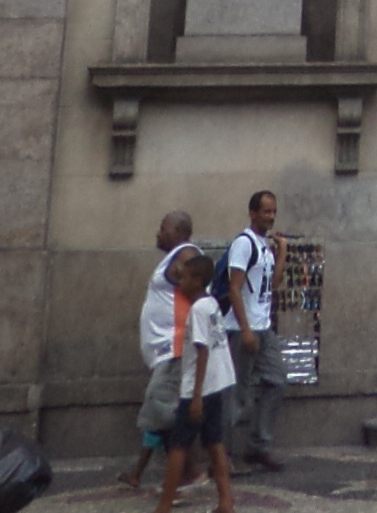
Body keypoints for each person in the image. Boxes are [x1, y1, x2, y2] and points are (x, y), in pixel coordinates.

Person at [154, 251, 234, 513]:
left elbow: (202, 350)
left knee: (178, 445)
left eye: (186, 278)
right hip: (217, 384)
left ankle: (165, 505)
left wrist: (196, 395)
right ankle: (226, 501)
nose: (181, 283)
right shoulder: (210, 304)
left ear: (198, 281)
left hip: (198, 388)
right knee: (214, 442)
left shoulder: (198, 309)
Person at [121, 210, 195, 491]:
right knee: (161, 413)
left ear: (177, 231)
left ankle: (191, 472)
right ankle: (175, 474)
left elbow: (198, 288)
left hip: (174, 349)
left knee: (163, 413)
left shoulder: (186, 255)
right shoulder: (173, 257)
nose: (157, 232)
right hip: (165, 352)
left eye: (162, 227)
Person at [222, 190, 287, 470]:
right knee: (236, 393)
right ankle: (221, 455)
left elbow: (272, 284)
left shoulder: (264, 246)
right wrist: (245, 329)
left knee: (276, 381)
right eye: (266, 212)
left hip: (264, 327)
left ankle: (258, 444)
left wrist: (282, 251)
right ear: (252, 213)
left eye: (273, 212)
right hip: (242, 328)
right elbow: (233, 287)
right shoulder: (244, 244)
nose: (270, 217)